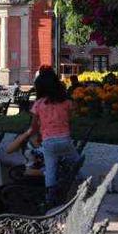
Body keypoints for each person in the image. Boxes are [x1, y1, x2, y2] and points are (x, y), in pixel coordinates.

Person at [31, 67, 79, 206]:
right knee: (76, 162)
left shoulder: (38, 104)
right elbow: (71, 116)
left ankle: (50, 198)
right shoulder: (66, 102)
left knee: (50, 170)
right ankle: (81, 185)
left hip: (48, 142)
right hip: (65, 139)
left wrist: (38, 135)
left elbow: (34, 126)